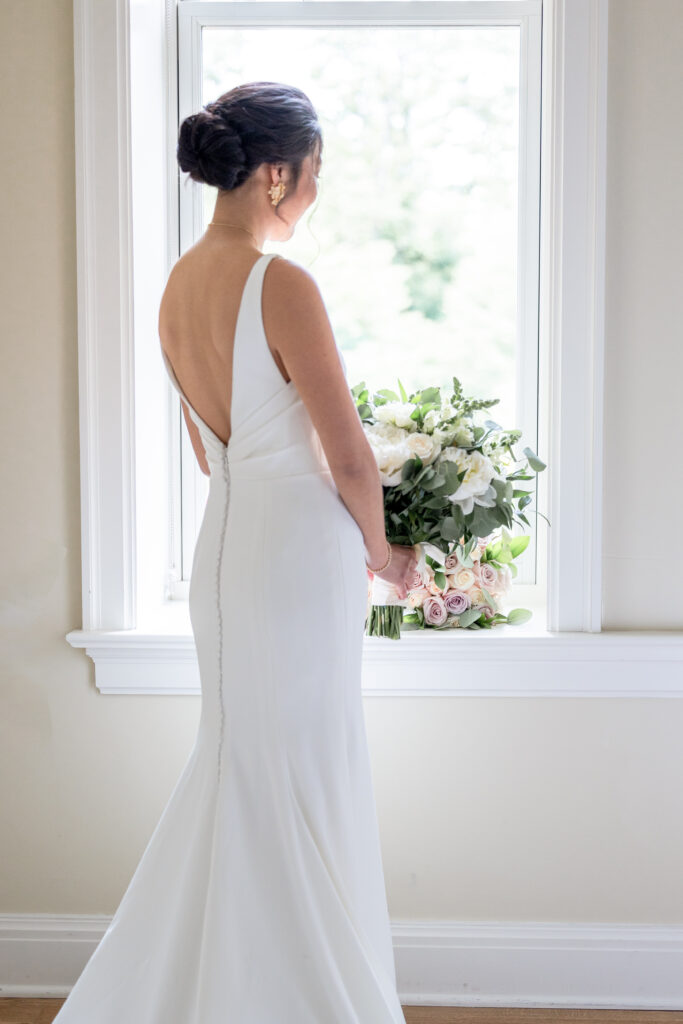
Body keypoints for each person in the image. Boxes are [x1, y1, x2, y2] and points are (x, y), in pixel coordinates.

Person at [53, 81, 415, 1023]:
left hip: (227, 550)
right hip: (293, 557)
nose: (314, 196)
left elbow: (208, 457)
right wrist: (385, 552)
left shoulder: (175, 285)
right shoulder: (280, 283)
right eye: (315, 177)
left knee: (243, 758)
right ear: (275, 173)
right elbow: (344, 453)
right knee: (298, 760)